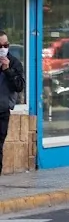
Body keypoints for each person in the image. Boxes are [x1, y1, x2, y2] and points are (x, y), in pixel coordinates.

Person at [0, 32, 24, 174]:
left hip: (2, 111)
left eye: (6, 45)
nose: (3, 48)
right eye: (0, 46)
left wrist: (8, 70)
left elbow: (19, 86)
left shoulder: (14, 63)